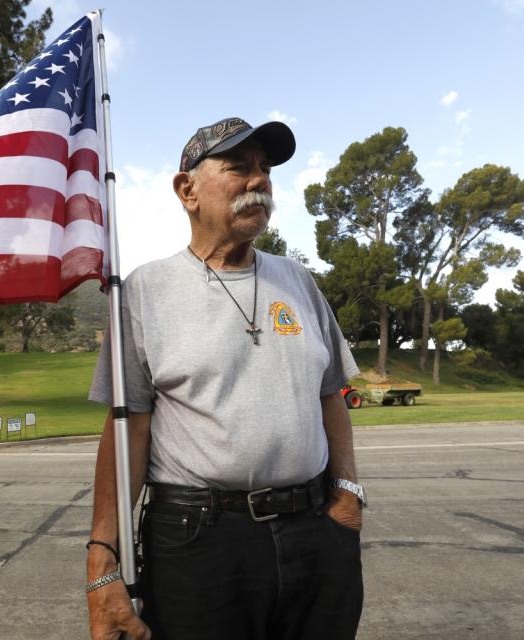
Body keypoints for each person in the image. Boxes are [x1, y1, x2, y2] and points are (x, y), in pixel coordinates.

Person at [85, 117, 365, 640]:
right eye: (239, 167)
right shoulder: (145, 291)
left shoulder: (298, 280)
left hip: (316, 532)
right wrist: (103, 560)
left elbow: (332, 394)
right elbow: (128, 429)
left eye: (264, 170)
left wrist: (348, 494)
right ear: (186, 189)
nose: (258, 180)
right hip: (199, 542)